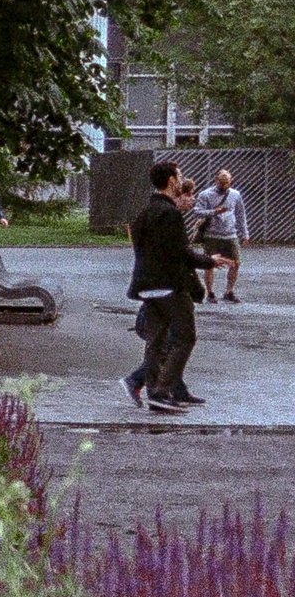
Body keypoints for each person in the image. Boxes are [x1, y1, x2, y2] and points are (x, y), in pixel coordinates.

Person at [125, 160, 216, 414]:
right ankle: (162, 391)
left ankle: (156, 394)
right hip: (168, 286)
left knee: (156, 340)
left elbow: (142, 249)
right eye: (180, 175)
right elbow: (179, 252)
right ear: (171, 181)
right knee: (185, 338)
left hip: (146, 285)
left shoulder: (145, 212)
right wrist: (209, 260)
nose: (182, 179)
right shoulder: (169, 213)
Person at [193, 168, 247, 303]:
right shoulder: (205, 195)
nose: (224, 185)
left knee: (236, 262)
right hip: (212, 235)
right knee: (209, 264)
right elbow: (198, 212)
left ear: (231, 181)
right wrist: (213, 212)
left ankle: (229, 291)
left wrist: (244, 232)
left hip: (230, 234)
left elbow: (240, 214)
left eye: (227, 182)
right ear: (215, 180)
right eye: (222, 182)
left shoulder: (235, 194)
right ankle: (210, 292)